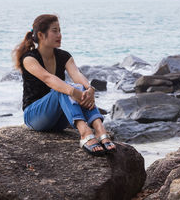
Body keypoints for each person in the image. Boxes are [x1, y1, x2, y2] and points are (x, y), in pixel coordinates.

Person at [12, 14, 116, 156]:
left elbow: (77, 75)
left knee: (77, 87)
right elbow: (49, 79)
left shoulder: (64, 56)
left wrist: (89, 89)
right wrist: (74, 92)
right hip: (34, 116)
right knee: (63, 88)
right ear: (41, 35)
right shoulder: (29, 59)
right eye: (55, 31)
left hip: (60, 120)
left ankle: (99, 129)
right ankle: (84, 131)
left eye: (60, 30)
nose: (59, 35)